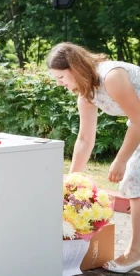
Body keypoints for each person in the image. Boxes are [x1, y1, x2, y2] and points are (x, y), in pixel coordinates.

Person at [47, 42, 140, 273]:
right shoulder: (87, 95)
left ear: (75, 69)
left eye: (61, 77)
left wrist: (120, 160)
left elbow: (139, 120)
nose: (59, 83)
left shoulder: (112, 77)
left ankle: (135, 254)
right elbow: (85, 139)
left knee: (134, 179)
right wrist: (72, 182)